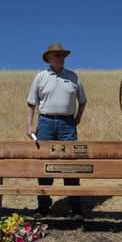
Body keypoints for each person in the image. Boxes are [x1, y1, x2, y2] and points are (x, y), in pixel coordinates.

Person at [25, 43, 87, 220]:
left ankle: (76, 209)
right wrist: (29, 126)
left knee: (72, 166)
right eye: (56, 55)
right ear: (49, 58)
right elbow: (31, 104)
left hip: (68, 124)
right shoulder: (40, 77)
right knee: (44, 166)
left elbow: (83, 100)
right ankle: (43, 207)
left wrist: (78, 117)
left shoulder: (73, 77)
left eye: (62, 55)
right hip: (45, 123)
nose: (60, 58)